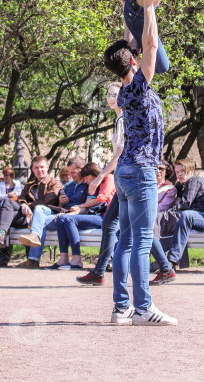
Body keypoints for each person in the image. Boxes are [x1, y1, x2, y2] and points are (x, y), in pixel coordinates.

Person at [103, 0, 177, 326]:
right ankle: (144, 307)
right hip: (144, 171)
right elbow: (148, 42)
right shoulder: (140, 86)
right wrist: (148, 5)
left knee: (126, 241)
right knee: (141, 241)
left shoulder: (121, 92)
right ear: (132, 62)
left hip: (125, 171)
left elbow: (133, 41)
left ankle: (121, 307)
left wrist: (128, 4)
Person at [77, 81, 124, 286]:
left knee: (125, 226)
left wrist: (99, 177)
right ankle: (99, 271)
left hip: (126, 178)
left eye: (114, 94)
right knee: (112, 223)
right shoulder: (119, 119)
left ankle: (99, 272)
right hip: (125, 178)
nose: (110, 97)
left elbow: (118, 155)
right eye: (108, 94)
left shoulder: (124, 119)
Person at [0, 156, 63, 267]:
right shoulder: (29, 184)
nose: (39, 170)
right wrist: (22, 204)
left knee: (5, 215)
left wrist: (27, 205)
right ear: (32, 169)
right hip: (26, 217)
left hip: (42, 218)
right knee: (7, 203)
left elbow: (46, 202)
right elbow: (20, 198)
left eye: (42, 167)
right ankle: (1, 235)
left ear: (47, 167)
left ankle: (3, 255)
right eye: (36, 167)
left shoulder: (55, 183)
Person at [18, 156, 88, 266]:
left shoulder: (88, 185)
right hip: (61, 215)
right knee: (39, 211)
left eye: (73, 172)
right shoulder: (69, 185)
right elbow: (61, 206)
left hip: (76, 217)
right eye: (69, 173)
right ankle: (33, 245)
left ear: (82, 169)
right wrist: (61, 202)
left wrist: (72, 211)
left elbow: (89, 205)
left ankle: (33, 260)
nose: (70, 175)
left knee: (40, 221)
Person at [150, 158, 204, 285]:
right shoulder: (183, 185)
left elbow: (185, 203)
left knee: (155, 220)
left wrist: (168, 213)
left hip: (199, 217)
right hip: (185, 217)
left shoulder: (194, 180)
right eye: (177, 172)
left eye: (183, 171)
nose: (180, 174)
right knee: (155, 221)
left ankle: (160, 261)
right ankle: (162, 261)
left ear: (192, 170)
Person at [47, 162, 115, 270]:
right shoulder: (97, 184)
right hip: (101, 216)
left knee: (68, 219)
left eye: (87, 178)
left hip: (109, 218)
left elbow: (101, 198)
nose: (86, 181)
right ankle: (64, 258)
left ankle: (77, 260)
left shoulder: (109, 178)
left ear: (94, 174)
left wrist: (80, 205)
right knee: (61, 218)